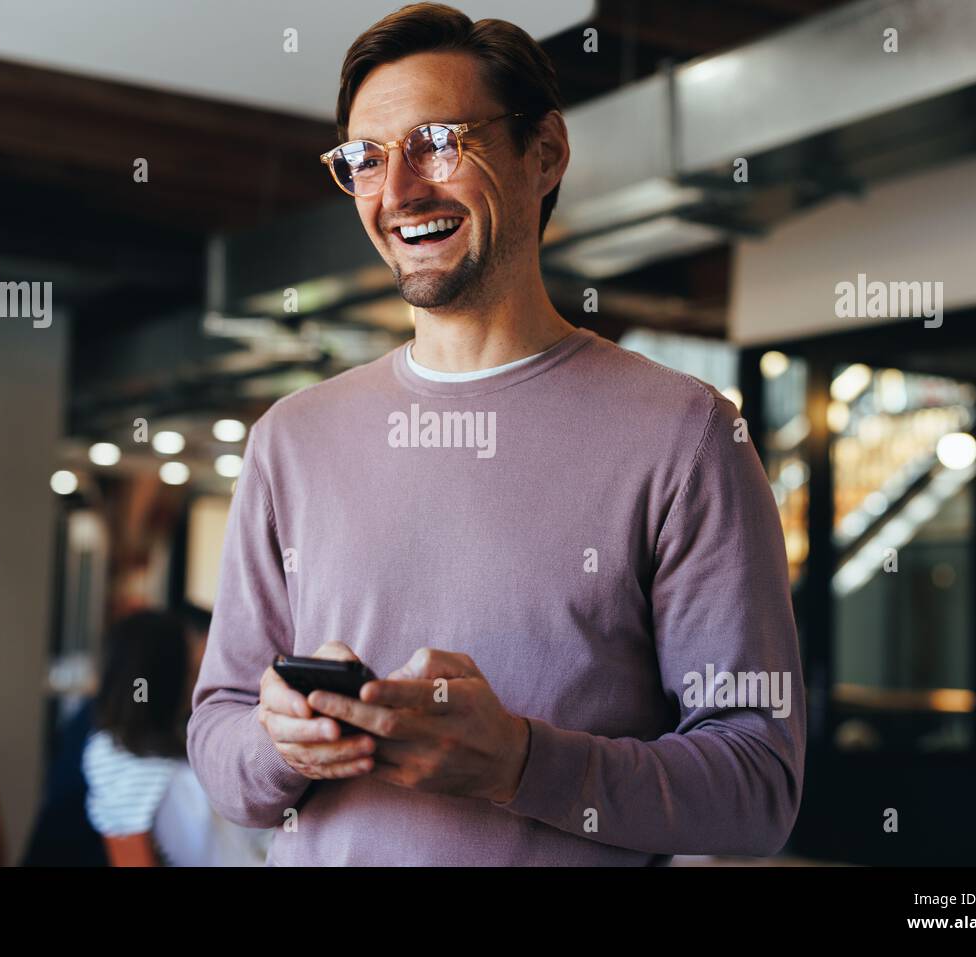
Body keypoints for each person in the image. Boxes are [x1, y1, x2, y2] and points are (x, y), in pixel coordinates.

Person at [188, 2, 805, 866]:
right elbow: (219, 745)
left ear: (543, 152)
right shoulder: (292, 438)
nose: (399, 192)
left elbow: (757, 790)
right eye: (367, 159)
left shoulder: (689, 434)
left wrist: (521, 762)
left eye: (438, 140)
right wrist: (279, 744)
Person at [83, 610, 272, 866]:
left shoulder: (105, 748)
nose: (197, 677)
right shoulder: (176, 779)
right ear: (168, 679)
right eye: (191, 668)